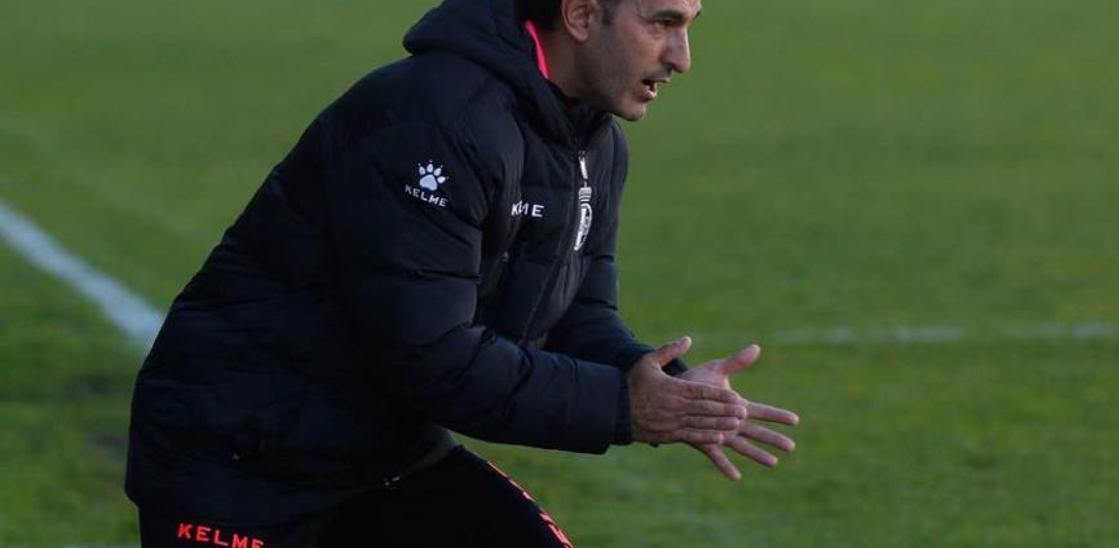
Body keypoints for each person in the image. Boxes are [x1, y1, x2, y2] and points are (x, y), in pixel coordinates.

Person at [125, 0, 799, 545]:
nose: (681, 57)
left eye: (688, 25)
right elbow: (432, 359)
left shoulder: (592, 142)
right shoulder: (436, 118)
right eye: (662, 23)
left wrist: (667, 390)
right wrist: (627, 409)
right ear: (581, 15)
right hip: (243, 465)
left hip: (383, 460)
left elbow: (574, 316)